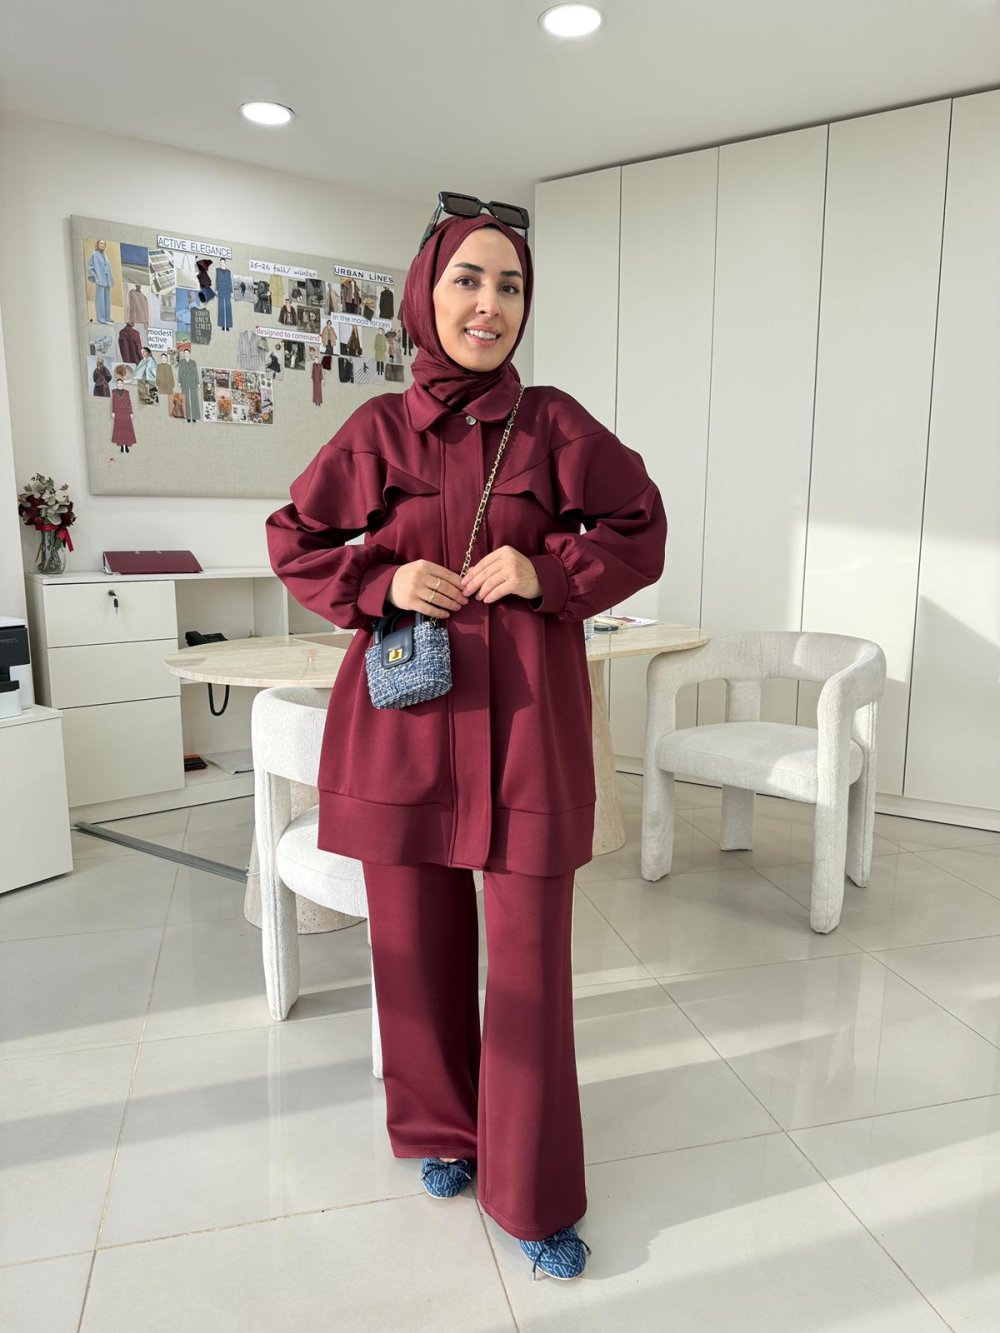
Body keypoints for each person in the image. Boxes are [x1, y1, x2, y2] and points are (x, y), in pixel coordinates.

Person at [267, 203, 666, 1283]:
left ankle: (531, 1191)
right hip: (406, 724)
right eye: (468, 281)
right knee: (412, 948)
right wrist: (383, 580)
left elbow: (640, 527)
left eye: (511, 286)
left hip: (528, 729)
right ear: (426, 294)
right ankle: (443, 1129)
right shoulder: (376, 431)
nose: (490, 306)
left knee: (530, 966)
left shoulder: (555, 425)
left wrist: (551, 571)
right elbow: (296, 539)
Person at [87, 239, 113, 324]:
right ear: (97, 244)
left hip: (107, 280)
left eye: (104, 244)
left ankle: (107, 317)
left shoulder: (105, 255)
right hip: (100, 279)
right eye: (101, 243)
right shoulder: (94, 254)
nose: (103, 245)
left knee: (107, 300)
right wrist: (95, 277)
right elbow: (90, 267)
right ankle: (101, 319)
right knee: (100, 300)